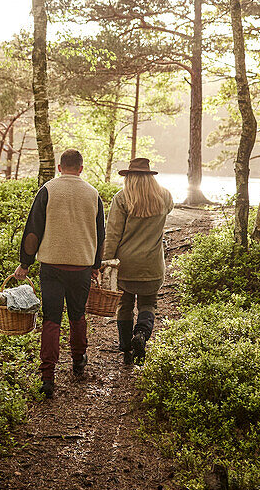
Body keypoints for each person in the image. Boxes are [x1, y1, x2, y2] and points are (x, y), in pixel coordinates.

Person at [14, 148, 105, 398]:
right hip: (82, 267)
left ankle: (47, 377)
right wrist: (96, 265)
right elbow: (100, 234)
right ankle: (78, 361)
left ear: (59, 167)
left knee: (51, 319)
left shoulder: (48, 189)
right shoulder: (93, 193)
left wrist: (25, 263)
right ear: (81, 169)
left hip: (51, 267)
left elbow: (33, 230)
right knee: (77, 316)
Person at [102, 157, 174, 365]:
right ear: (150, 176)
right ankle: (141, 334)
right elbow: (168, 211)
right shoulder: (165, 196)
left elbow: (113, 233)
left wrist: (106, 261)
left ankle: (126, 349)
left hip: (126, 264)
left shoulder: (122, 198)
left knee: (124, 305)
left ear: (129, 177)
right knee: (148, 303)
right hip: (152, 264)